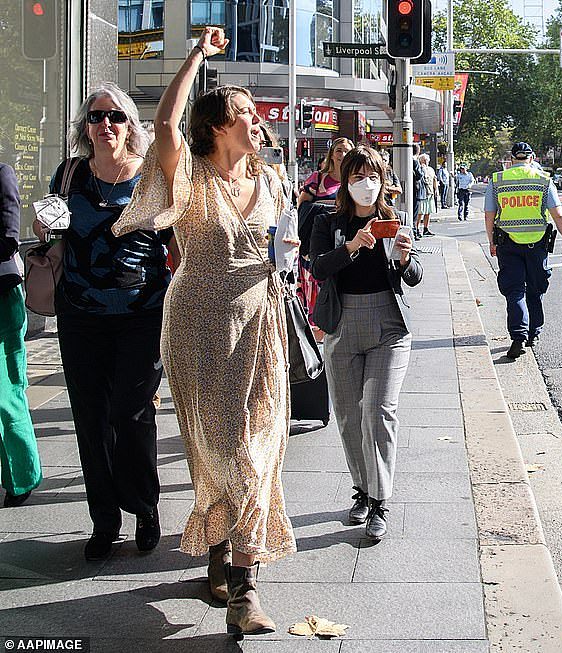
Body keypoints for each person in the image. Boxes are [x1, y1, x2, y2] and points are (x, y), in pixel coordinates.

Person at [112, 27, 296, 636]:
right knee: (219, 452)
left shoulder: (270, 183)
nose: (255, 120)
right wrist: (196, 55)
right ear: (217, 125)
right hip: (199, 328)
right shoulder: (190, 177)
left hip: (261, 325)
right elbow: (164, 128)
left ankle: (244, 589)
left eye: (253, 112)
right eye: (243, 113)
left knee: (259, 451)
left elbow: (280, 247)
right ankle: (223, 550)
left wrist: (286, 258)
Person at [32, 84, 175, 560]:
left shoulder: (152, 176)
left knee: (130, 414)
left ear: (130, 124)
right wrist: (44, 231)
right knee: (91, 420)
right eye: (97, 118)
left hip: (141, 312)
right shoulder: (70, 174)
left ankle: (144, 506)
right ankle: (105, 519)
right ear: (85, 127)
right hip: (82, 314)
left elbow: (178, 238)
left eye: (115, 117)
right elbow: (57, 233)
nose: (106, 125)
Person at [310, 146, 423, 541]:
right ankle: (362, 488)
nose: (366, 185)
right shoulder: (329, 221)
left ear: (384, 182)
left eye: (372, 177)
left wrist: (405, 260)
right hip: (342, 324)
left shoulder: (397, 221)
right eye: (357, 177)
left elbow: (414, 277)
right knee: (347, 414)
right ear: (345, 181)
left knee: (378, 411)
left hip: (389, 327)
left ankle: (380, 501)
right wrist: (353, 245)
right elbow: (318, 266)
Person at [484, 142, 562, 359]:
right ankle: (534, 333)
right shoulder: (543, 180)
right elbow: (558, 214)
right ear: (532, 157)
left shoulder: (498, 180)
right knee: (535, 290)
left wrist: (492, 241)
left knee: (514, 291)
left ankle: (518, 337)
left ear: (512, 158)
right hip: (537, 245)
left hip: (507, 245)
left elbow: (489, 214)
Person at [0, 162, 42, 508]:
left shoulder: (2, 173)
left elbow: (8, 237)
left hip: (1, 299)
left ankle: (21, 477)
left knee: (6, 393)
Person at [297, 137, 353, 327]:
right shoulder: (318, 178)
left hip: (343, 239)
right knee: (315, 285)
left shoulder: (354, 179)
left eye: (346, 150)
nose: (342, 154)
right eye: (338, 150)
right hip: (317, 238)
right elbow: (303, 206)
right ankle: (318, 328)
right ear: (332, 154)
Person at [418, 153, 438, 236]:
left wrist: (436, 190)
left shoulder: (431, 169)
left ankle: (426, 228)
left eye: (426, 160)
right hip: (422, 194)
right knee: (420, 212)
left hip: (430, 193)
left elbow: (434, 180)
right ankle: (417, 228)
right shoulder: (419, 169)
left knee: (428, 212)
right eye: (423, 160)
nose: (425, 162)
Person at [412, 144, 425, 240]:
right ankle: (414, 232)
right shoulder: (415, 161)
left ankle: (414, 231)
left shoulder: (409, 160)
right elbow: (419, 175)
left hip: (412, 189)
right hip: (415, 190)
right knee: (415, 213)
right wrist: (423, 169)